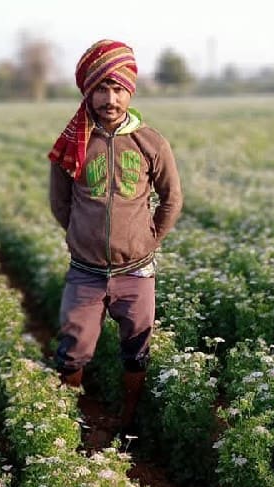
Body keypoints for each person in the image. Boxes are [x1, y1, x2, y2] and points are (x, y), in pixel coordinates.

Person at [48, 38, 183, 444]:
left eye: (118, 89)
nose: (110, 98)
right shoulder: (73, 142)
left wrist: (149, 238)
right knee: (72, 347)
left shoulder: (150, 142)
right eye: (102, 89)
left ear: (130, 92)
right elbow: (60, 203)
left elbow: (172, 198)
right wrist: (82, 237)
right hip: (86, 272)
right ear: (89, 92)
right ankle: (70, 421)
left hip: (136, 271)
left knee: (137, 347)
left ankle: (129, 422)